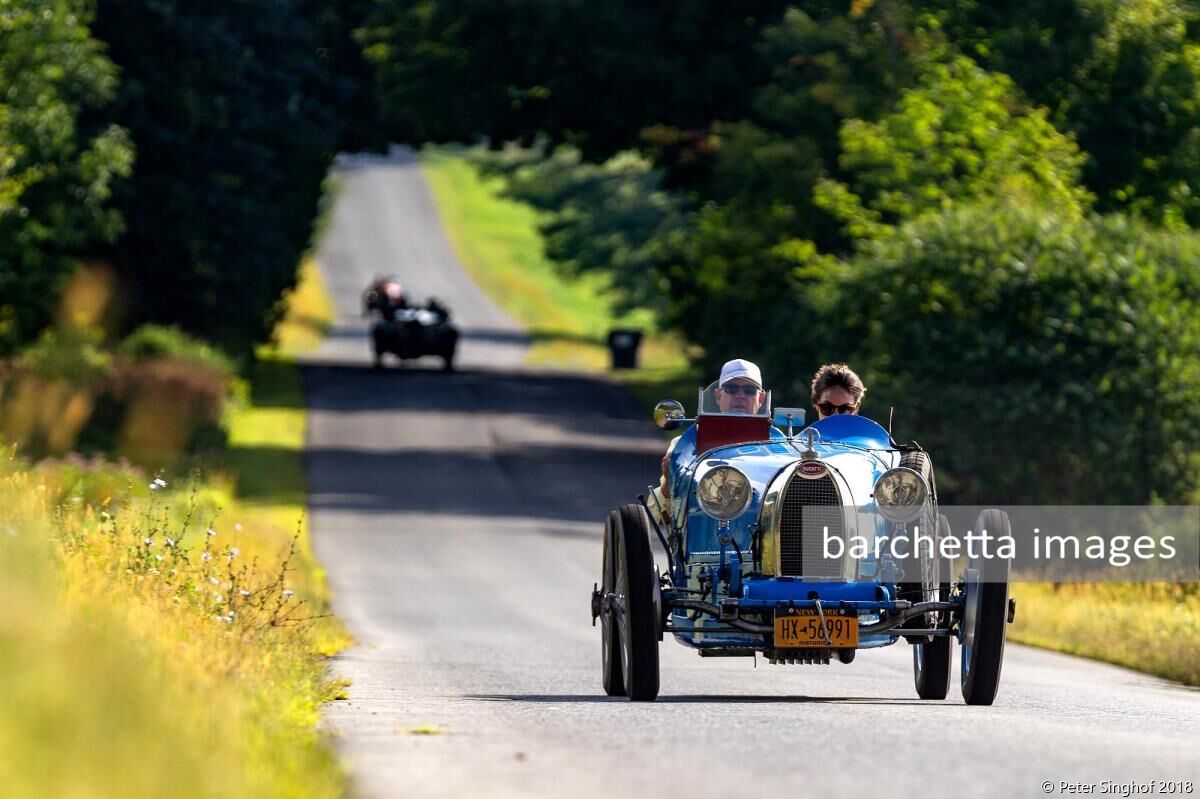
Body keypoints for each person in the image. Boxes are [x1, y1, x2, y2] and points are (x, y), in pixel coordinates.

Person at [651, 358, 769, 524]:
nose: (740, 396)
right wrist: (669, 478)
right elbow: (660, 517)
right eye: (732, 389)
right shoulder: (687, 444)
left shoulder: (776, 444)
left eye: (750, 390)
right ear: (718, 396)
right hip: (700, 526)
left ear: (761, 398)